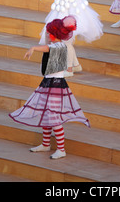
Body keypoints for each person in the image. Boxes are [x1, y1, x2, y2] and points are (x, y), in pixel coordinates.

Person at [9, 15, 90, 160]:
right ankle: (45, 144)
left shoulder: (58, 46)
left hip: (55, 85)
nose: (46, 35)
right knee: (46, 115)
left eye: (48, 33)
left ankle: (61, 149)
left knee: (53, 117)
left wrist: (33, 47)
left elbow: (47, 48)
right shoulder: (57, 46)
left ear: (53, 34)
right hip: (49, 83)